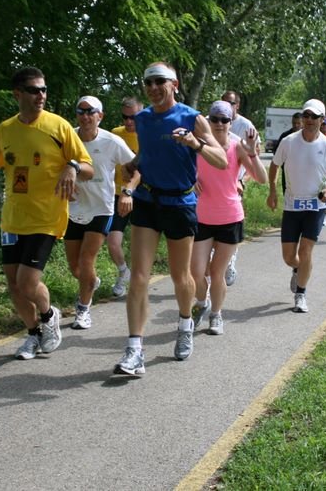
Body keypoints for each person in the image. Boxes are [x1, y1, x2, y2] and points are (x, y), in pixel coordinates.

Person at [0, 67, 94, 360]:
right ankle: (33, 334)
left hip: (46, 218)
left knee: (27, 282)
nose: (41, 96)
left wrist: (71, 167)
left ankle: (49, 315)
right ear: (18, 94)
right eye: (35, 90)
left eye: (44, 90)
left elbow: (88, 167)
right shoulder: (6, 129)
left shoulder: (59, 127)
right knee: (13, 286)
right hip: (12, 219)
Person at [113, 62, 228, 376]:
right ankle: (135, 349)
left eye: (159, 81)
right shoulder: (143, 119)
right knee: (139, 276)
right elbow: (146, 157)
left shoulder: (193, 118)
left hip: (180, 203)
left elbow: (219, 159)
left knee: (182, 277)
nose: (152, 88)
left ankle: (185, 322)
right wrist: (131, 169)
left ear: (174, 84)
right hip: (148, 200)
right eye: (148, 82)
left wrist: (195, 143)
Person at [189, 101, 267, 336]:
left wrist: (252, 152)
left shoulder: (237, 146)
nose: (220, 124)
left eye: (225, 120)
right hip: (201, 216)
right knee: (196, 272)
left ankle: (216, 315)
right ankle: (202, 303)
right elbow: (183, 170)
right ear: (208, 121)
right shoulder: (197, 145)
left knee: (217, 272)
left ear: (231, 122)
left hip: (230, 217)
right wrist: (191, 181)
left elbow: (261, 178)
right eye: (215, 119)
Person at [65, 96, 139, 330]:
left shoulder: (112, 141)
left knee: (87, 259)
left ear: (100, 116)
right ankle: (91, 282)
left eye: (91, 112)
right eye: (81, 111)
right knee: (75, 267)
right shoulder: (67, 139)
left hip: (101, 208)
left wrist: (127, 192)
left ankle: (83, 310)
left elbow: (137, 169)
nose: (85, 116)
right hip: (73, 207)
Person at [267, 98, 326, 314]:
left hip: (316, 206)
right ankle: (297, 269)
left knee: (306, 250)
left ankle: (301, 294)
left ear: (322, 120)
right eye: (306, 116)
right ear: (302, 118)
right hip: (292, 205)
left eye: (314, 117)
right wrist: (272, 191)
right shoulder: (289, 142)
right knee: (289, 256)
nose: (309, 120)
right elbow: (274, 166)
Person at [220, 90, 259, 287]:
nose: (227, 106)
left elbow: (255, 157)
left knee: (231, 226)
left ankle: (230, 262)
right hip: (214, 183)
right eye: (224, 102)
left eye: (231, 103)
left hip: (236, 184)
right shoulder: (213, 120)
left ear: (238, 106)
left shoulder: (246, 126)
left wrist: (243, 181)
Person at [108, 96, 143, 297]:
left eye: (133, 117)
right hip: (117, 194)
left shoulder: (148, 135)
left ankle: (139, 281)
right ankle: (123, 272)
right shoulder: (115, 135)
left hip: (143, 195)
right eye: (125, 117)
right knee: (113, 242)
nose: (128, 122)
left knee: (140, 244)